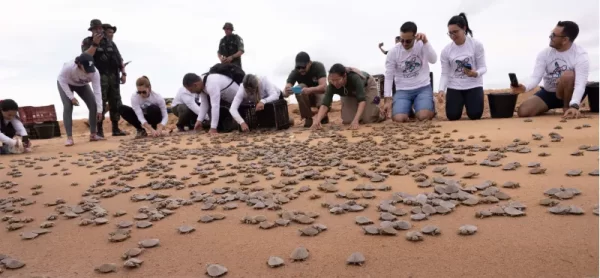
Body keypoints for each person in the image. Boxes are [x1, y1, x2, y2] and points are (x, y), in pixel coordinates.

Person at [513, 21, 589, 119]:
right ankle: (549, 106)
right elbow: (536, 77)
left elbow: (580, 84)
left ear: (565, 40)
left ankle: (567, 108)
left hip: (571, 94)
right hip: (550, 93)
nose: (550, 37)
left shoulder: (580, 55)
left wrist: (574, 105)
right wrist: (524, 87)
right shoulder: (544, 54)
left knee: (568, 75)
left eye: (553, 35)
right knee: (523, 112)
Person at [383, 21, 437, 122]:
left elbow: (433, 60)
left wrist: (426, 42)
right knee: (399, 119)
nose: (404, 43)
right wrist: (387, 99)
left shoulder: (421, 45)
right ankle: (408, 109)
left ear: (415, 37)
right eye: (401, 40)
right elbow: (389, 75)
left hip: (422, 87)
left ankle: (431, 103)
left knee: (423, 116)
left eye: (408, 41)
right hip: (402, 90)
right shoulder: (393, 52)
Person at [82, 19, 128, 137]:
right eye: (96, 28)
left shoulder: (110, 42)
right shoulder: (87, 41)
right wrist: (95, 44)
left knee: (115, 101)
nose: (98, 30)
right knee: (100, 102)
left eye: (100, 28)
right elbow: (86, 57)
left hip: (114, 75)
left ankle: (115, 128)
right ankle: (99, 130)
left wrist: (123, 73)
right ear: (92, 30)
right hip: (99, 75)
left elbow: (119, 58)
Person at [437, 13, 487, 121]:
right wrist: (441, 90)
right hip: (455, 86)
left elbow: (483, 67)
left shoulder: (476, 45)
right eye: (450, 33)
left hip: (473, 85)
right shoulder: (446, 50)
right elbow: (445, 73)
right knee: (452, 116)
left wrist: (475, 73)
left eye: (455, 32)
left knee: (475, 115)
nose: (452, 36)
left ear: (464, 29)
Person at [313, 64, 385, 130]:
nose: (335, 83)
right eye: (333, 80)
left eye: (338, 80)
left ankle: (380, 113)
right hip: (348, 93)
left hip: (367, 87)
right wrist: (318, 121)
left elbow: (362, 101)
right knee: (348, 121)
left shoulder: (355, 78)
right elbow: (325, 105)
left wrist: (356, 120)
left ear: (344, 76)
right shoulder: (332, 85)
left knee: (368, 119)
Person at [57, 53, 104, 146]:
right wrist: (71, 97)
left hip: (81, 85)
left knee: (93, 105)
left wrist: (100, 110)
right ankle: (69, 138)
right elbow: (61, 80)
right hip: (65, 84)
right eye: (86, 68)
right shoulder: (68, 67)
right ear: (79, 64)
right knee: (68, 106)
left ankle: (93, 134)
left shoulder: (95, 73)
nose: (89, 71)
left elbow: (97, 91)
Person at [284, 52, 329, 128]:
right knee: (299, 88)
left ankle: (322, 115)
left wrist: (310, 90)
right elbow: (287, 89)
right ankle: (308, 118)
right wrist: (288, 90)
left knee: (323, 95)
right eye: (298, 67)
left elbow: (324, 87)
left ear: (310, 63)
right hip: (306, 97)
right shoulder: (295, 72)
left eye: (303, 67)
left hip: (319, 94)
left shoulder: (318, 66)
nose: (301, 70)